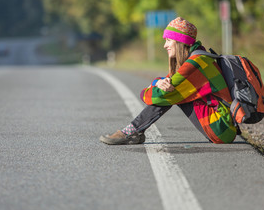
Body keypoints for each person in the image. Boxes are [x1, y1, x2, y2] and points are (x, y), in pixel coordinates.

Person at [100, 17, 237, 145]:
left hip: (220, 128)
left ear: (179, 41)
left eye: (168, 40)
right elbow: (168, 81)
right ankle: (135, 132)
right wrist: (156, 83)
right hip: (223, 127)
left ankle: (130, 132)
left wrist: (147, 90)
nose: (165, 45)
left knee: (169, 93)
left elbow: (157, 96)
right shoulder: (198, 58)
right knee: (170, 89)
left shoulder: (195, 64)